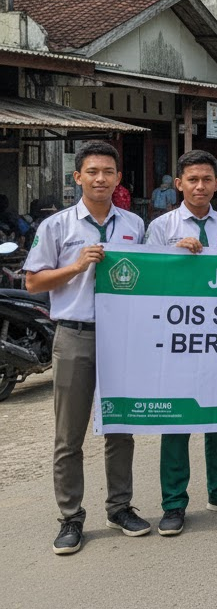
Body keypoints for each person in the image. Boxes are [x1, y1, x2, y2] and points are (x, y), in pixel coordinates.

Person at [24, 140, 149, 555]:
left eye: (108, 172)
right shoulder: (56, 226)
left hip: (122, 337)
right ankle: (71, 517)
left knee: (121, 427)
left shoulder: (133, 224)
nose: (100, 179)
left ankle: (120, 507)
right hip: (75, 335)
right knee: (69, 434)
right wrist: (76, 266)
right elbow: (33, 281)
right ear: (78, 177)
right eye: (92, 172)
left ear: (118, 178)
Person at [145, 149, 217, 536]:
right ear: (179, 184)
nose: (200, 186)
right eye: (192, 179)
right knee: (176, 421)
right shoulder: (162, 227)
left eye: (207, 179)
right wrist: (173, 256)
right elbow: (149, 280)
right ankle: (174, 503)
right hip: (178, 339)